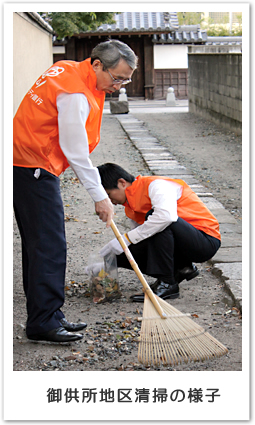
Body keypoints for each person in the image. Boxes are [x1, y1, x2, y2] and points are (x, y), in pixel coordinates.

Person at [13, 40, 138, 342]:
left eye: (126, 79)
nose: (120, 85)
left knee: (38, 246)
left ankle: (48, 314)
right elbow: (75, 149)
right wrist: (100, 197)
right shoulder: (75, 92)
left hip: (27, 162)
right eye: (117, 78)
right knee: (49, 247)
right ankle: (43, 322)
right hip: (33, 166)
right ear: (97, 64)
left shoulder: (69, 69)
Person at [97, 163, 221, 302]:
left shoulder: (156, 185)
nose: (110, 202)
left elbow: (166, 218)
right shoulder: (130, 206)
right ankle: (180, 267)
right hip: (180, 241)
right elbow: (145, 239)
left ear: (122, 183)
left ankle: (168, 283)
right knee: (121, 254)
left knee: (159, 220)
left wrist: (125, 239)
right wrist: (112, 253)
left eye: (108, 195)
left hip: (204, 240)